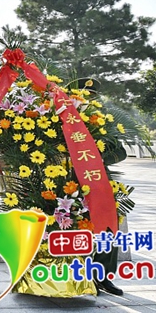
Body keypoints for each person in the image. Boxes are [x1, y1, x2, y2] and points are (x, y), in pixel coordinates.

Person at [68, 77, 126, 296]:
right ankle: (83, 278)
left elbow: (119, 151)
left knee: (108, 229)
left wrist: (99, 160)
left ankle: (104, 277)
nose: (88, 100)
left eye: (92, 96)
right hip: (73, 185)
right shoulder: (64, 122)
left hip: (100, 183)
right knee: (78, 229)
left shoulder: (102, 123)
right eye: (83, 95)